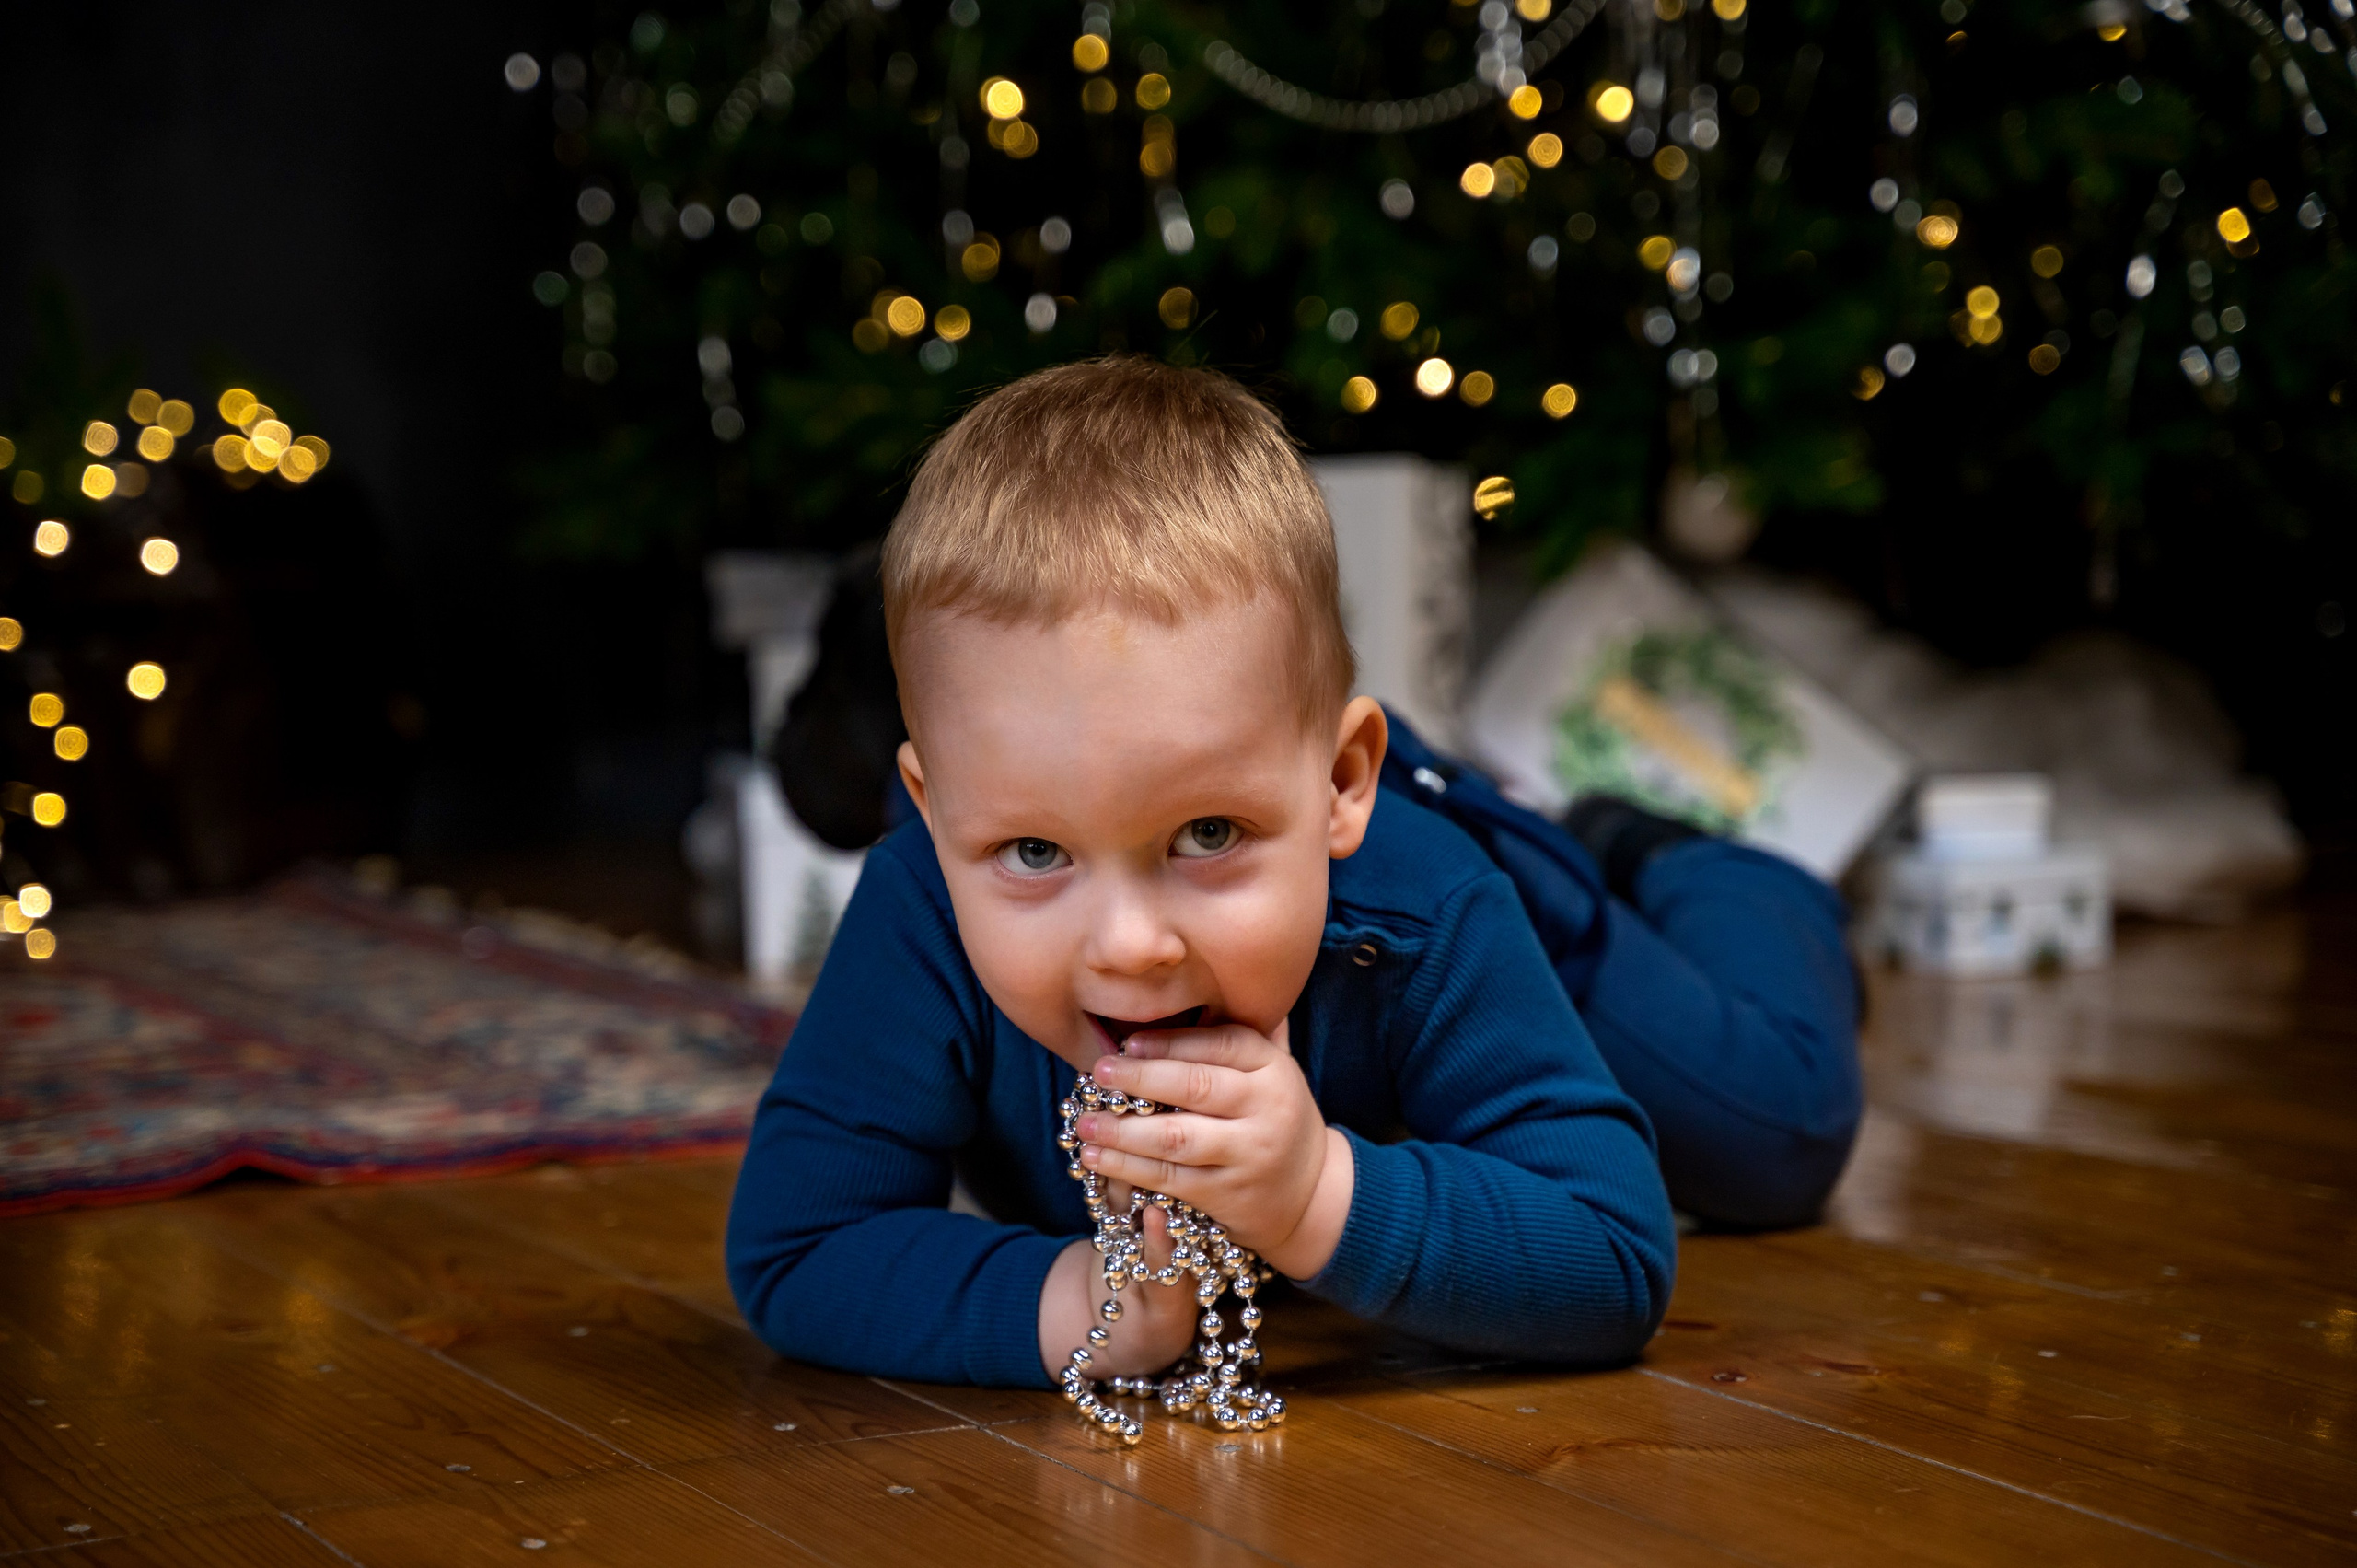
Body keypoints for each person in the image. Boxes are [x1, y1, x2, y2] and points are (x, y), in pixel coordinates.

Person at [727, 357, 1852, 1388]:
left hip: (1483, 876)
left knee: (1776, 1134)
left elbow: (1609, 1248)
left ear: (1338, 783)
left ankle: (1672, 855)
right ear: (933, 818)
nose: (1128, 945)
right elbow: (800, 1244)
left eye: (1207, 834)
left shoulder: (1428, 904)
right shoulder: (921, 900)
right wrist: (1091, 1304)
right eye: (1034, 852)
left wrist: (1318, 1192)